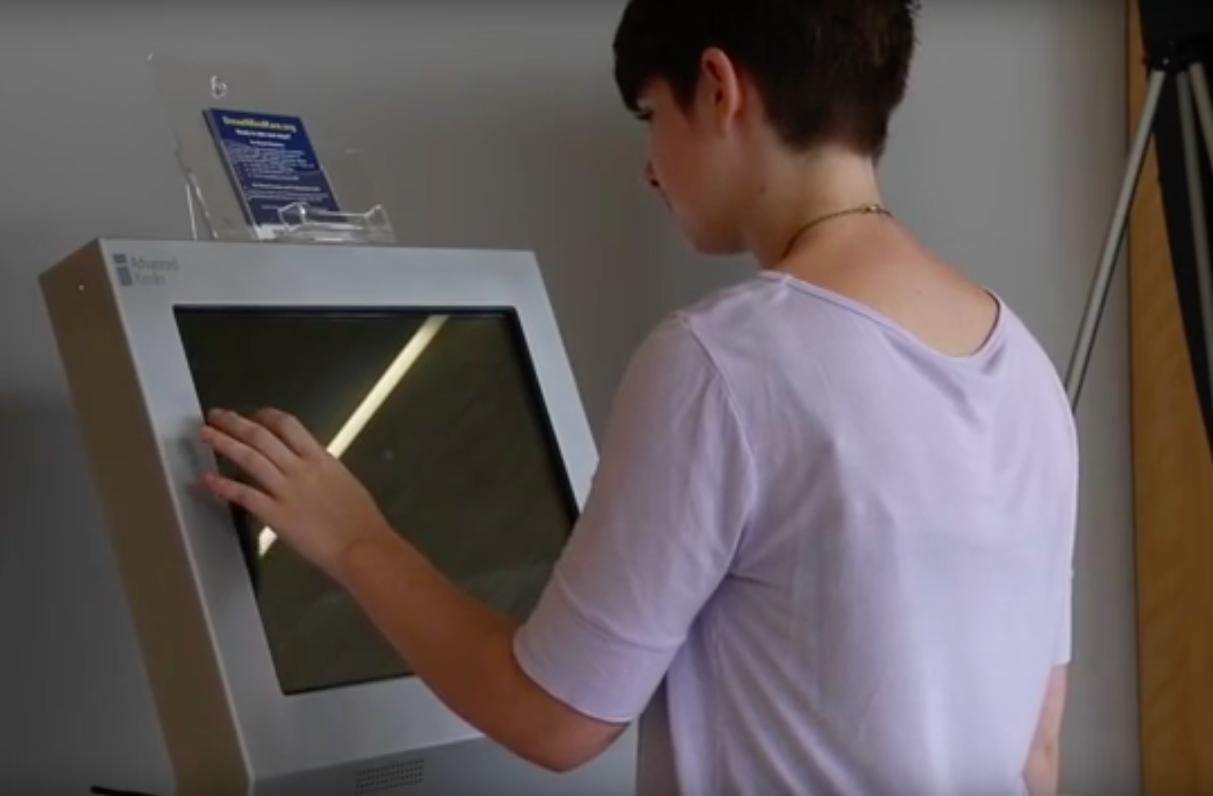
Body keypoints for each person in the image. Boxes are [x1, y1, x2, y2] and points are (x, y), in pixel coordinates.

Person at [197, 0, 1078, 794]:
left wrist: (351, 536)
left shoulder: (723, 359)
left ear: (718, 88)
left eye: (651, 116)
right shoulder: (1022, 366)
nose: (649, 169)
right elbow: (1037, 753)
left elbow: (553, 716)